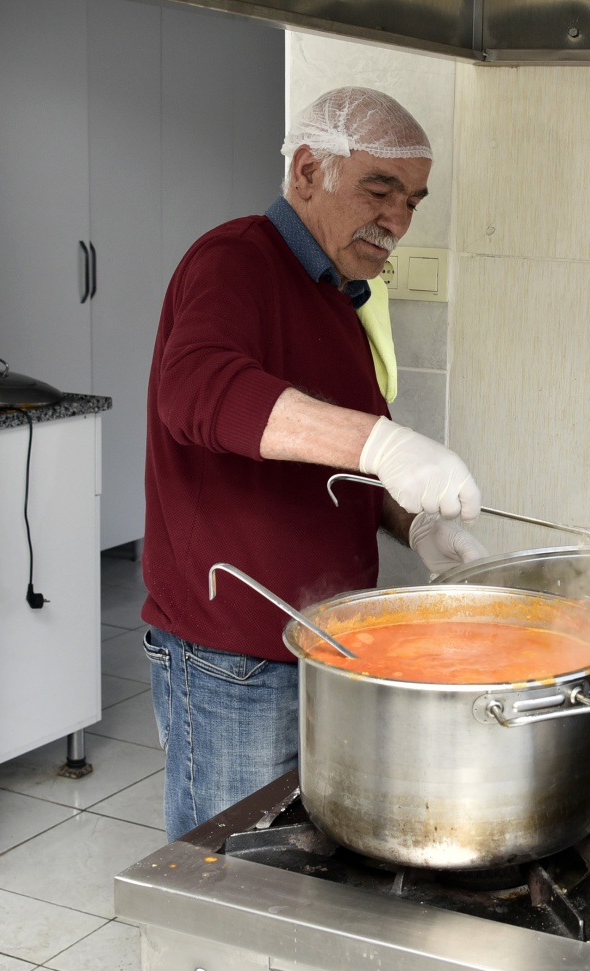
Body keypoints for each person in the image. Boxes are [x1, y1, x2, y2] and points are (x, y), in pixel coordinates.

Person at [140, 87, 484, 840]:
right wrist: (381, 444)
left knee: (293, 865)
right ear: (306, 172)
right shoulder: (233, 261)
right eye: (380, 189)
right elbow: (196, 390)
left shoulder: (339, 294)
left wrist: (417, 522)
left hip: (325, 641)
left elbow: (348, 455)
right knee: (228, 872)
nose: (397, 219)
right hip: (236, 655)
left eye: (413, 201)